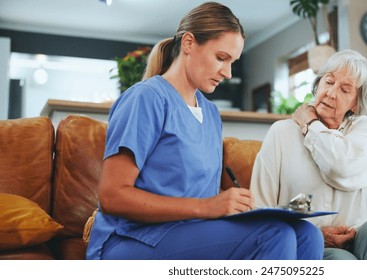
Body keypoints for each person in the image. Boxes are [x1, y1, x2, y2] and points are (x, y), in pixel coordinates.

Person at [85, 2, 323, 260]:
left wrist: (231, 204)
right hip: (132, 240)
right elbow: (112, 196)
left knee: (307, 234)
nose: (228, 73)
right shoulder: (147, 98)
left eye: (232, 62)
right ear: (188, 43)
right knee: (274, 234)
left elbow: (196, 193)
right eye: (221, 58)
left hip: (190, 232)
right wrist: (207, 207)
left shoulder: (210, 114)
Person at [250, 49, 367, 260]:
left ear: (356, 103)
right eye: (328, 82)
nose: (331, 93)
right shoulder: (282, 132)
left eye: (345, 90)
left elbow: (340, 165)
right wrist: (314, 235)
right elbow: (261, 208)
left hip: (359, 235)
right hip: (308, 241)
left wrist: (310, 124)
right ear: (318, 85)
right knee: (341, 262)